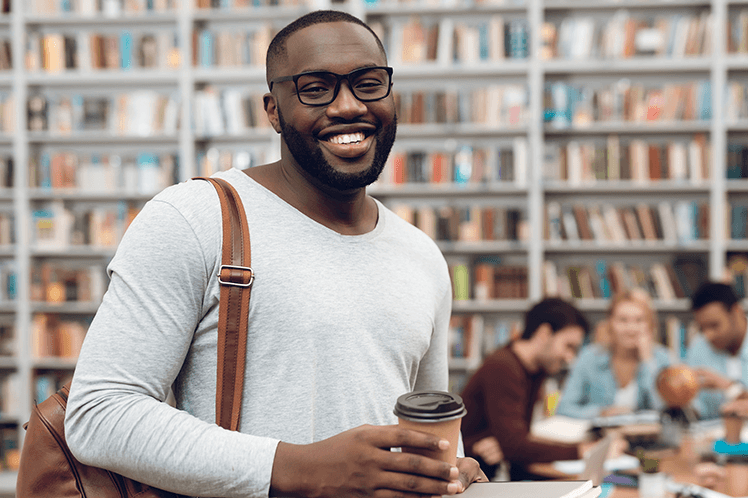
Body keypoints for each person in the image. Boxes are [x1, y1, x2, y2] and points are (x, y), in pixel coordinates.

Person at [63, 10, 484, 498]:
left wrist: (451, 468)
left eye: (369, 84)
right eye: (315, 88)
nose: (349, 106)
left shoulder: (422, 256)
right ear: (273, 109)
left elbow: (424, 429)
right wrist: (298, 467)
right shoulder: (194, 218)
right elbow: (99, 413)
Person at [460, 298, 597, 481]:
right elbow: (515, 445)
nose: (570, 358)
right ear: (544, 333)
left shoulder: (535, 370)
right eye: (568, 346)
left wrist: (509, 442)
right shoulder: (504, 366)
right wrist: (580, 450)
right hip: (472, 478)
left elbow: (518, 438)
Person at [556, 289, 672, 419]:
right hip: (600, 437)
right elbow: (564, 408)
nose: (631, 329)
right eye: (623, 320)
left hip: (647, 437)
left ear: (650, 325)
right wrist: (600, 413)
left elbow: (666, 411)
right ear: (610, 323)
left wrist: (648, 361)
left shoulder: (662, 358)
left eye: (639, 320)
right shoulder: (590, 357)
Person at [685, 281, 748, 421]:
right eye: (702, 328)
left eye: (714, 325)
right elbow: (696, 407)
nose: (708, 335)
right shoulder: (699, 346)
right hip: (709, 438)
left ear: (736, 312)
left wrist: (730, 388)